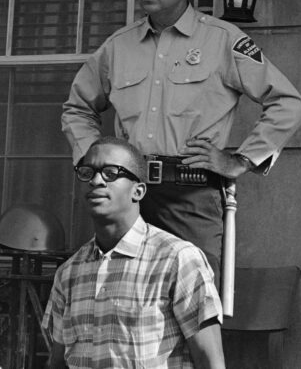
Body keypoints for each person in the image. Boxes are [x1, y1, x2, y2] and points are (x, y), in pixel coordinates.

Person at [62, 0, 301, 282]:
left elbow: (288, 103)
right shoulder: (117, 47)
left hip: (190, 196)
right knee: (122, 300)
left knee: (194, 301)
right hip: (127, 194)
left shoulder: (222, 40)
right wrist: (96, 162)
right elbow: (77, 108)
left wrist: (240, 160)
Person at [42, 136, 225, 369]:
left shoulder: (177, 260)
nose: (96, 180)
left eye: (110, 173)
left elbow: (211, 361)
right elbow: (57, 363)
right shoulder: (69, 273)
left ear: (138, 191)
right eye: (87, 173)